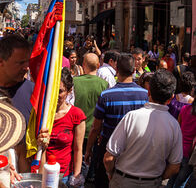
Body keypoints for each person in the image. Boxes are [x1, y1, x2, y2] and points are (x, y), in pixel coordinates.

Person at [104, 70, 182, 188]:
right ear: (171, 98)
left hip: (123, 181)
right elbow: (175, 166)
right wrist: (157, 179)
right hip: (152, 182)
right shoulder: (174, 125)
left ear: (148, 91)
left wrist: (111, 173)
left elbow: (109, 158)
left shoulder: (132, 117)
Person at [85, 53, 149, 188]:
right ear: (134, 71)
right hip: (135, 150)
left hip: (108, 150)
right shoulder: (145, 95)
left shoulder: (106, 95)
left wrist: (89, 149)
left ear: (117, 70)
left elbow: (96, 128)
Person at [39, 67, 86, 187]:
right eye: (53, 90)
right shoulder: (41, 114)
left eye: (60, 91)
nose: (56, 95)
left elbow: (78, 149)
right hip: (42, 173)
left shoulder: (76, 115)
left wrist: (76, 176)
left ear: (69, 91)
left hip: (64, 175)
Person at [73, 53, 108, 143]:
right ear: (98, 65)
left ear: (83, 65)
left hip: (76, 130)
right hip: (95, 133)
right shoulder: (104, 84)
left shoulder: (74, 82)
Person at [167, 90, 196, 187]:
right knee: (181, 182)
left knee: (172, 178)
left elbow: (178, 128)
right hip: (190, 153)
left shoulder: (184, 109)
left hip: (179, 149)